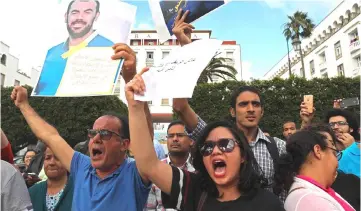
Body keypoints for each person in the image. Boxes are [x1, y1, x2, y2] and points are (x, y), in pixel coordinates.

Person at [11, 43, 154, 211]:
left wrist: (130, 77)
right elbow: (50, 136)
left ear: (124, 144)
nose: (96, 139)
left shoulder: (134, 173)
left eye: (105, 133)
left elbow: (145, 136)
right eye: (93, 133)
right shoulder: (82, 167)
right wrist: (23, 105)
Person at [125, 68, 284, 211]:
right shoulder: (193, 190)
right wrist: (135, 106)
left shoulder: (269, 204)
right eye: (207, 147)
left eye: (225, 144)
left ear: (243, 155)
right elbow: (148, 165)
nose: (215, 151)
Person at [171, 9, 286, 201]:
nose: (250, 109)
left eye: (255, 104)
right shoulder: (214, 139)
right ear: (232, 111)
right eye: (243, 104)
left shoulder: (279, 148)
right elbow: (180, 106)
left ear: (262, 110)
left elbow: (285, 190)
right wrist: (186, 49)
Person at [34, 0, 114, 96]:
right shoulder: (52, 52)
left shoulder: (111, 49)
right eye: (74, 12)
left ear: (96, 16)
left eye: (87, 12)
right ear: (66, 16)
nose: (79, 17)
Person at [275, 125, 355, 211]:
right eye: (334, 153)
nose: (337, 163)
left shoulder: (310, 193)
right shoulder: (310, 201)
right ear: (318, 151)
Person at [146, 120, 195, 210]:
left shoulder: (199, 169)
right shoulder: (156, 169)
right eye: (170, 136)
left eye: (180, 135)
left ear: (191, 141)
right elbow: (150, 208)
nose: (175, 139)